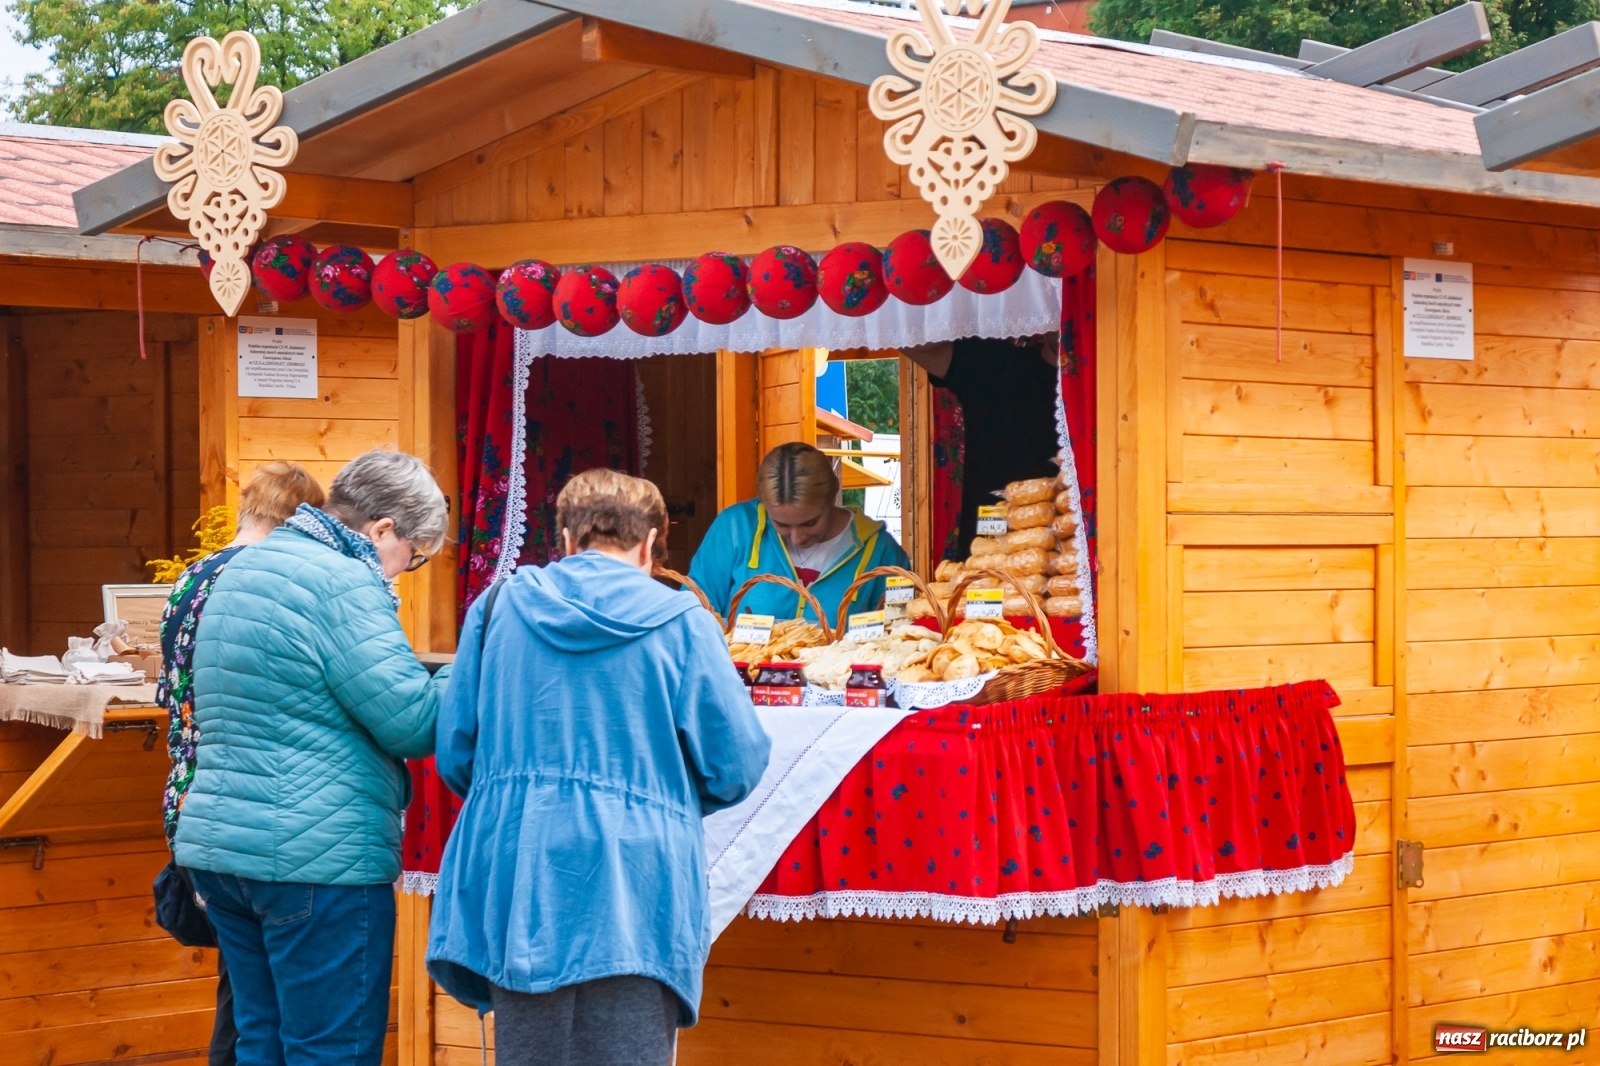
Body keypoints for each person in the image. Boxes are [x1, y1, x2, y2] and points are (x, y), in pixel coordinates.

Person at [427, 468, 770, 1066]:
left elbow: (457, 752)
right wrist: (662, 794)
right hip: (639, 879)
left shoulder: (499, 607)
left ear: (563, 538)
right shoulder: (684, 621)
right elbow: (736, 764)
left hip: (521, 869)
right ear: (650, 543)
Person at [176, 449, 452, 1066]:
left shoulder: (247, 565)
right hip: (317, 860)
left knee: (261, 1045)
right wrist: (480, 668)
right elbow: (412, 722)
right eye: (414, 556)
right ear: (383, 530)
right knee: (331, 1052)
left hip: (225, 852)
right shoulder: (344, 579)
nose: (405, 571)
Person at [156, 461, 325, 1066]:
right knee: (256, 999)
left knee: (243, 988)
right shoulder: (260, 579)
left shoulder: (188, 579)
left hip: (189, 798)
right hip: (246, 803)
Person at [689, 441, 910, 624]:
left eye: (810, 523)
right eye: (781, 524)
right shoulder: (736, 528)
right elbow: (694, 611)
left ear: (833, 497)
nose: (797, 538)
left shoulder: (882, 552)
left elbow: (901, 630)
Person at [905, 335, 1060, 558]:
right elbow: (910, 339)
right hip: (987, 570)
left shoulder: (1112, 385)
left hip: (1080, 566)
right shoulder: (995, 366)